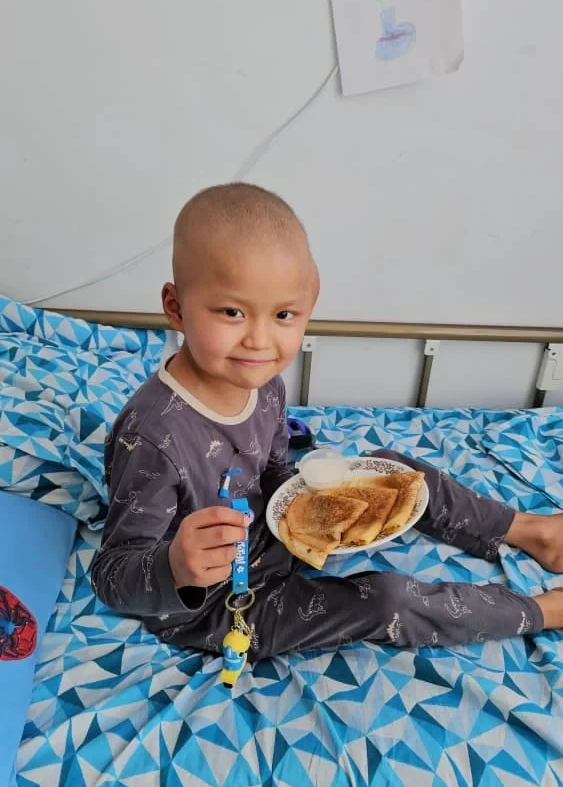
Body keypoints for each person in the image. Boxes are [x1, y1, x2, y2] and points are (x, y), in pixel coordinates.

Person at [92, 182, 563, 660]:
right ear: (175, 308)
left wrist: (317, 500)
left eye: (283, 314)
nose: (260, 340)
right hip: (223, 603)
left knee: (389, 469)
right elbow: (111, 574)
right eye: (232, 312)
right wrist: (175, 567)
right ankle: (539, 611)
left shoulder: (264, 383)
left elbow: (272, 471)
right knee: (385, 601)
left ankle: (528, 530)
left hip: (275, 535)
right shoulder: (152, 437)